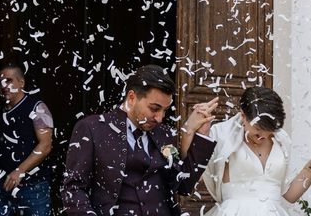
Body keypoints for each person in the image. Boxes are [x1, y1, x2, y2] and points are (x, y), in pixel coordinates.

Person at [62, 64, 218, 216]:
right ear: (131, 98)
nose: (160, 118)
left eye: (164, 111)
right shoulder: (92, 128)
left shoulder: (164, 134)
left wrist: (197, 134)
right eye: (154, 108)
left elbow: (183, 185)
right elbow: (74, 189)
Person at [183, 86, 311, 216]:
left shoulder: (281, 140)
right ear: (243, 116)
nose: (264, 136)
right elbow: (189, 172)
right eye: (258, 131)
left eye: (270, 131)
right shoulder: (221, 134)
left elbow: (289, 196)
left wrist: (310, 167)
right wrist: (190, 130)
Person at [0, 62, 54, 216]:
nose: (4, 85)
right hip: (0, 185)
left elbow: (46, 145)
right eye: (1, 81)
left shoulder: (37, 107)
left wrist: (19, 171)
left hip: (33, 186)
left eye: (9, 80)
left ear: (21, 83)